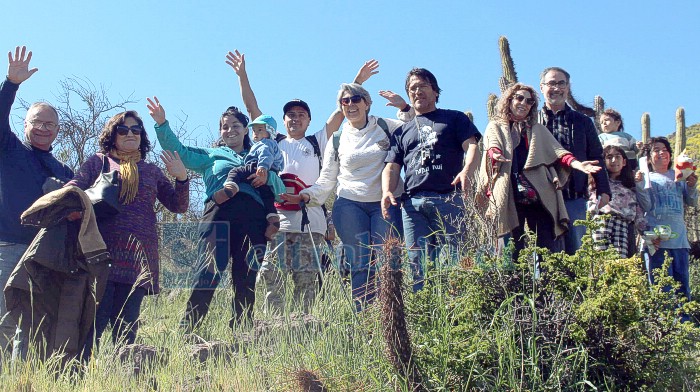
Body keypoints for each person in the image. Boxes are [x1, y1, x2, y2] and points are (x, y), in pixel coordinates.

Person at [226, 50, 385, 313]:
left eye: (301, 114)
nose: (295, 118)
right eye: (290, 114)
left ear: (309, 120)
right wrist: (242, 75)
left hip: (310, 224)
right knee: (270, 275)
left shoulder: (318, 141)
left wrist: (358, 80)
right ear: (283, 119)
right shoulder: (272, 141)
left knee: (307, 281)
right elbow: (253, 110)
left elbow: (341, 111)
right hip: (276, 221)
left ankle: (304, 326)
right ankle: (272, 327)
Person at [149, 98, 283, 329]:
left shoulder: (262, 155)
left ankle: (242, 332)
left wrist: (266, 176)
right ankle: (188, 329)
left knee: (246, 277)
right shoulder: (212, 155)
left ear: (245, 130)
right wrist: (162, 124)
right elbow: (179, 151)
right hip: (219, 213)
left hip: (254, 218)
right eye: (225, 126)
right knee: (209, 270)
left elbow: (279, 190)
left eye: (235, 126)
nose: (229, 130)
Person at [67, 110, 189, 359]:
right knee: (93, 324)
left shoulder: (152, 171)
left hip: (138, 260)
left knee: (127, 328)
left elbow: (178, 206)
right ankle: (81, 376)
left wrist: (182, 178)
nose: (130, 133)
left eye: (136, 130)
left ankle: (125, 377)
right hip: (101, 255)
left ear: (142, 136)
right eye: (123, 130)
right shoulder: (98, 163)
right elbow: (73, 189)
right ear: (113, 136)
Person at [283, 81, 408, 310]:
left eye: (355, 99)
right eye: (345, 101)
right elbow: (327, 178)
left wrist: (405, 108)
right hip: (349, 204)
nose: (350, 104)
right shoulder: (337, 139)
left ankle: (391, 315)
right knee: (360, 262)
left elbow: (413, 128)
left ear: (367, 103)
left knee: (388, 260)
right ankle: (363, 317)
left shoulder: (384, 126)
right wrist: (307, 195)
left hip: (385, 202)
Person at [0, 46, 73, 357]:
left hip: (44, 254)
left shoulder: (65, 171)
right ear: (26, 125)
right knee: (4, 319)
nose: (43, 128)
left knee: (30, 325)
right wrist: (11, 84)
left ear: (57, 130)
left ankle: (20, 382)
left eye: (50, 124)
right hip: (8, 247)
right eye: (37, 122)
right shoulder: (10, 149)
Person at [382, 67, 481, 291]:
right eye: (412, 88)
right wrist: (387, 190)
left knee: (458, 259)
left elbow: (472, 146)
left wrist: (467, 171)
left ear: (435, 91)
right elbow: (392, 166)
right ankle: (424, 312)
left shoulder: (455, 119)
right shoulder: (401, 132)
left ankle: (460, 311)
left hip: (450, 199)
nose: (417, 91)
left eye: (422, 86)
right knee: (417, 263)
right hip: (413, 205)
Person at [477, 83, 601, 254]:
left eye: (529, 102)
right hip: (509, 193)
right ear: (509, 100)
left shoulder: (537, 129)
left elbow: (559, 153)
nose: (524, 103)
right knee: (513, 247)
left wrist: (578, 164)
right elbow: (493, 145)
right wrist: (495, 154)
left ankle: (548, 279)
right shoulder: (496, 125)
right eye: (519, 98)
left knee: (547, 246)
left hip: (539, 195)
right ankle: (516, 280)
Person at [538, 67, 610, 255]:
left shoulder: (582, 122)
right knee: (545, 255)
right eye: (551, 83)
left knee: (577, 252)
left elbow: (596, 156)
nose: (556, 88)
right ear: (542, 88)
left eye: (561, 83)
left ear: (568, 87)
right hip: (541, 198)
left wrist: (604, 189)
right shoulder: (532, 122)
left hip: (574, 196)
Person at [638, 137, 697, 300]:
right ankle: (664, 325)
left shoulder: (679, 175)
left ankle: (685, 324)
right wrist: (639, 184)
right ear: (649, 157)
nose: (661, 153)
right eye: (656, 150)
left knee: (683, 288)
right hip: (656, 241)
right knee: (661, 289)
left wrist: (692, 185)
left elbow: (692, 201)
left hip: (680, 241)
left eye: (665, 149)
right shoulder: (646, 177)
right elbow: (646, 206)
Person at [222, 114, 284, 240]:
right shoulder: (273, 145)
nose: (256, 133)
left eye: (260, 130)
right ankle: (273, 218)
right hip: (267, 173)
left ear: (270, 132)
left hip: (257, 167)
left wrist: (262, 167)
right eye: (254, 130)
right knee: (267, 196)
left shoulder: (265, 143)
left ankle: (230, 186)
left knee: (236, 171)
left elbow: (265, 155)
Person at [589, 145, 647, 257]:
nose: (614, 160)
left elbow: (639, 214)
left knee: (620, 264)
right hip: (600, 224)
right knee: (600, 263)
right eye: (609, 157)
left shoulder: (631, 187)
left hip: (623, 227)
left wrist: (647, 234)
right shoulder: (596, 185)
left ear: (624, 162)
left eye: (617, 157)